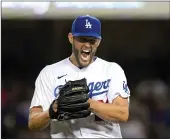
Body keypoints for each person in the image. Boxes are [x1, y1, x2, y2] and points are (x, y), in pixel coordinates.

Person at [28, 15, 130, 138]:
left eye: (92, 40)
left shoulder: (112, 70)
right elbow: (33, 122)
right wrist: (50, 112)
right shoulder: (49, 72)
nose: (87, 45)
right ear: (71, 38)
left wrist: (87, 103)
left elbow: (123, 113)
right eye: (82, 39)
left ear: (98, 42)